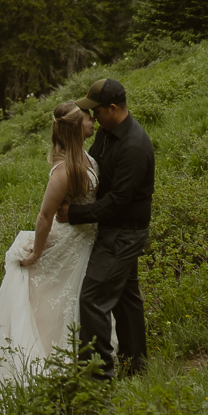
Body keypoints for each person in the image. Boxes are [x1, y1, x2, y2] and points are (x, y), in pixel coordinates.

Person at [0, 102, 98, 386]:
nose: (93, 121)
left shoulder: (86, 155)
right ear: (76, 129)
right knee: (53, 303)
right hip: (70, 242)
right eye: (88, 118)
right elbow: (45, 215)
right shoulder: (63, 171)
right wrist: (37, 251)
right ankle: (48, 358)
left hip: (85, 239)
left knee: (74, 299)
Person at [62, 76, 155, 378]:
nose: (92, 118)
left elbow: (117, 201)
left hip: (124, 233)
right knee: (127, 300)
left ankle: (98, 374)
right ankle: (135, 364)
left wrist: (74, 213)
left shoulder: (134, 146)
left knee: (93, 297)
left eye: (96, 111)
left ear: (112, 108)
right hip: (113, 229)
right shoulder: (108, 131)